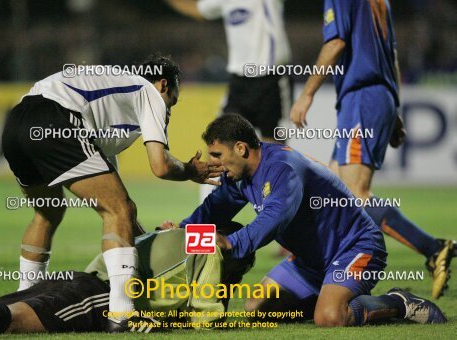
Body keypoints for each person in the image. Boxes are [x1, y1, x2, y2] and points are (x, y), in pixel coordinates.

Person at [1, 54, 222, 332]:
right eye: (172, 102)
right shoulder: (147, 90)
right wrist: (191, 171)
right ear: (164, 85)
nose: (169, 111)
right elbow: (160, 166)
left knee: (48, 214)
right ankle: (123, 315)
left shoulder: (111, 99)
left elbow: (119, 205)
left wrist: (147, 238)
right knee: (119, 209)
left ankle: (25, 295)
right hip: (56, 118)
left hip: (16, 123)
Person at [176, 114, 446, 326]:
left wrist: (232, 243)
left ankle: (398, 302)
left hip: (355, 247)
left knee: (330, 318)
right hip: (311, 259)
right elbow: (215, 208)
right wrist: (179, 231)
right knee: (257, 309)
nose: (214, 164)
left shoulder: (282, 168)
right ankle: (329, 296)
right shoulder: (239, 176)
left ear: (241, 148)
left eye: (217, 155)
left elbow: (274, 218)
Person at [289, 0, 455, 299]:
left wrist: (306, 93)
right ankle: (321, 266)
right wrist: (393, 108)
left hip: (362, 98)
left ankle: (434, 248)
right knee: (331, 187)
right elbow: (391, 56)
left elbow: (336, 41)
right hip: (373, 97)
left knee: (355, 194)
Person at [0, 226, 255, 334]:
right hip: (98, 294)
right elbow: (205, 317)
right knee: (10, 321)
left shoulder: (175, 232)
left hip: (75, 279)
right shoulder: (210, 244)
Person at [164, 0, 293, 202]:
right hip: (239, 81)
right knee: (217, 146)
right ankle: (209, 215)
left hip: (272, 77)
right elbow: (198, 10)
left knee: (274, 152)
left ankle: (279, 212)